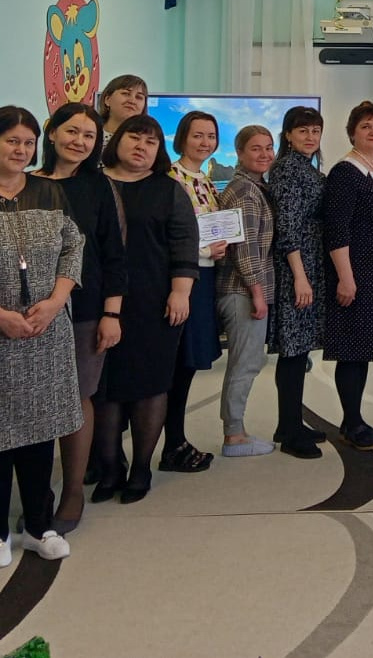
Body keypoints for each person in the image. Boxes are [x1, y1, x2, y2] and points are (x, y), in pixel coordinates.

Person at [0, 107, 83, 569]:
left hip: (46, 330)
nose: (20, 150)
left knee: (40, 430)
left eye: (28, 142)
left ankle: (39, 526)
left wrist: (56, 301)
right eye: (11, 140)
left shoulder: (49, 191)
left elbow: (73, 247)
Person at [34, 102, 127, 533]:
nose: (80, 141)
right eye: (72, 131)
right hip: (31, 310)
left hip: (87, 308)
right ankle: (37, 493)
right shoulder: (25, 182)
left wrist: (112, 312)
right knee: (35, 400)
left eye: (89, 136)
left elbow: (114, 255)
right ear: (52, 132)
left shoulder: (98, 186)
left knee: (78, 396)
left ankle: (73, 491)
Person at [97, 116, 199, 504]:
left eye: (151, 141)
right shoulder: (95, 184)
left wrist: (180, 292)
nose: (142, 146)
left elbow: (184, 244)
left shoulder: (167, 189)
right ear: (117, 141)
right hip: (100, 300)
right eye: (134, 138)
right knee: (105, 388)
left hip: (155, 302)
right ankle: (110, 466)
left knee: (150, 385)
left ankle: (141, 467)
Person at [324, 102, 373, 450]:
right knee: (352, 350)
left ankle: (353, 418)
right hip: (355, 273)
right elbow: (336, 229)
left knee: (363, 349)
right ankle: (352, 424)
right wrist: (346, 277)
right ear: (352, 132)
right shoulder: (345, 172)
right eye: (366, 126)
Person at [162, 111, 227, 473]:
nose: (205, 142)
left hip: (205, 278)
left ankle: (176, 440)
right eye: (197, 135)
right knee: (175, 365)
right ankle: (172, 442)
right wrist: (204, 249)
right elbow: (171, 234)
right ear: (182, 138)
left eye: (210, 136)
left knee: (187, 364)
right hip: (181, 279)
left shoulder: (205, 179)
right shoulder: (171, 178)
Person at [268, 106, 328, 458]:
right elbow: (287, 227)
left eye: (315, 130)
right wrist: (300, 277)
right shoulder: (288, 169)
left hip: (309, 265)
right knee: (292, 350)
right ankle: (290, 432)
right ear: (288, 135)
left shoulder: (306, 167)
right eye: (303, 130)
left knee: (300, 348)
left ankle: (289, 422)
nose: (310, 136)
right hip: (297, 269)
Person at [216, 125, 279, 457]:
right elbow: (246, 247)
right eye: (256, 148)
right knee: (245, 362)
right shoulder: (244, 191)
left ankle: (235, 430)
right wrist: (257, 292)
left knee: (247, 360)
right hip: (241, 290)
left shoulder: (255, 186)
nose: (265, 154)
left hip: (245, 287)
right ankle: (234, 435)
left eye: (269, 147)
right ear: (239, 153)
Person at [98, 74, 148, 143]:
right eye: (126, 94)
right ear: (107, 100)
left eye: (139, 97)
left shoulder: (147, 142)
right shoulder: (91, 134)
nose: (132, 101)